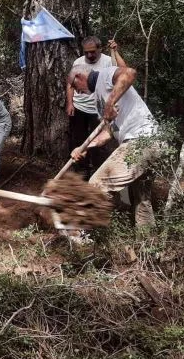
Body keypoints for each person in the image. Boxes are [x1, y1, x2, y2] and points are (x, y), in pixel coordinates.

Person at [68, 64, 163, 228]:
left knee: (97, 185)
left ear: (79, 77)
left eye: (74, 86)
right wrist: (84, 148)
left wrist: (110, 102)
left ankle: (87, 233)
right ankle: (148, 248)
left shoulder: (105, 75)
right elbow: (107, 134)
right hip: (147, 142)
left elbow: (130, 72)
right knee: (142, 199)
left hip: (142, 140)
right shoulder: (98, 98)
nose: (76, 92)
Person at [66, 36, 126, 178]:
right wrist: (70, 103)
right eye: (86, 52)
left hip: (99, 110)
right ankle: (82, 171)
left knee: (100, 142)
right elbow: (69, 84)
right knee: (79, 139)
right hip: (80, 107)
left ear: (100, 49)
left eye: (92, 51)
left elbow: (124, 72)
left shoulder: (107, 61)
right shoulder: (78, 62)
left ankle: (99, 172)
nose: (89, 55)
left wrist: (116, 52)